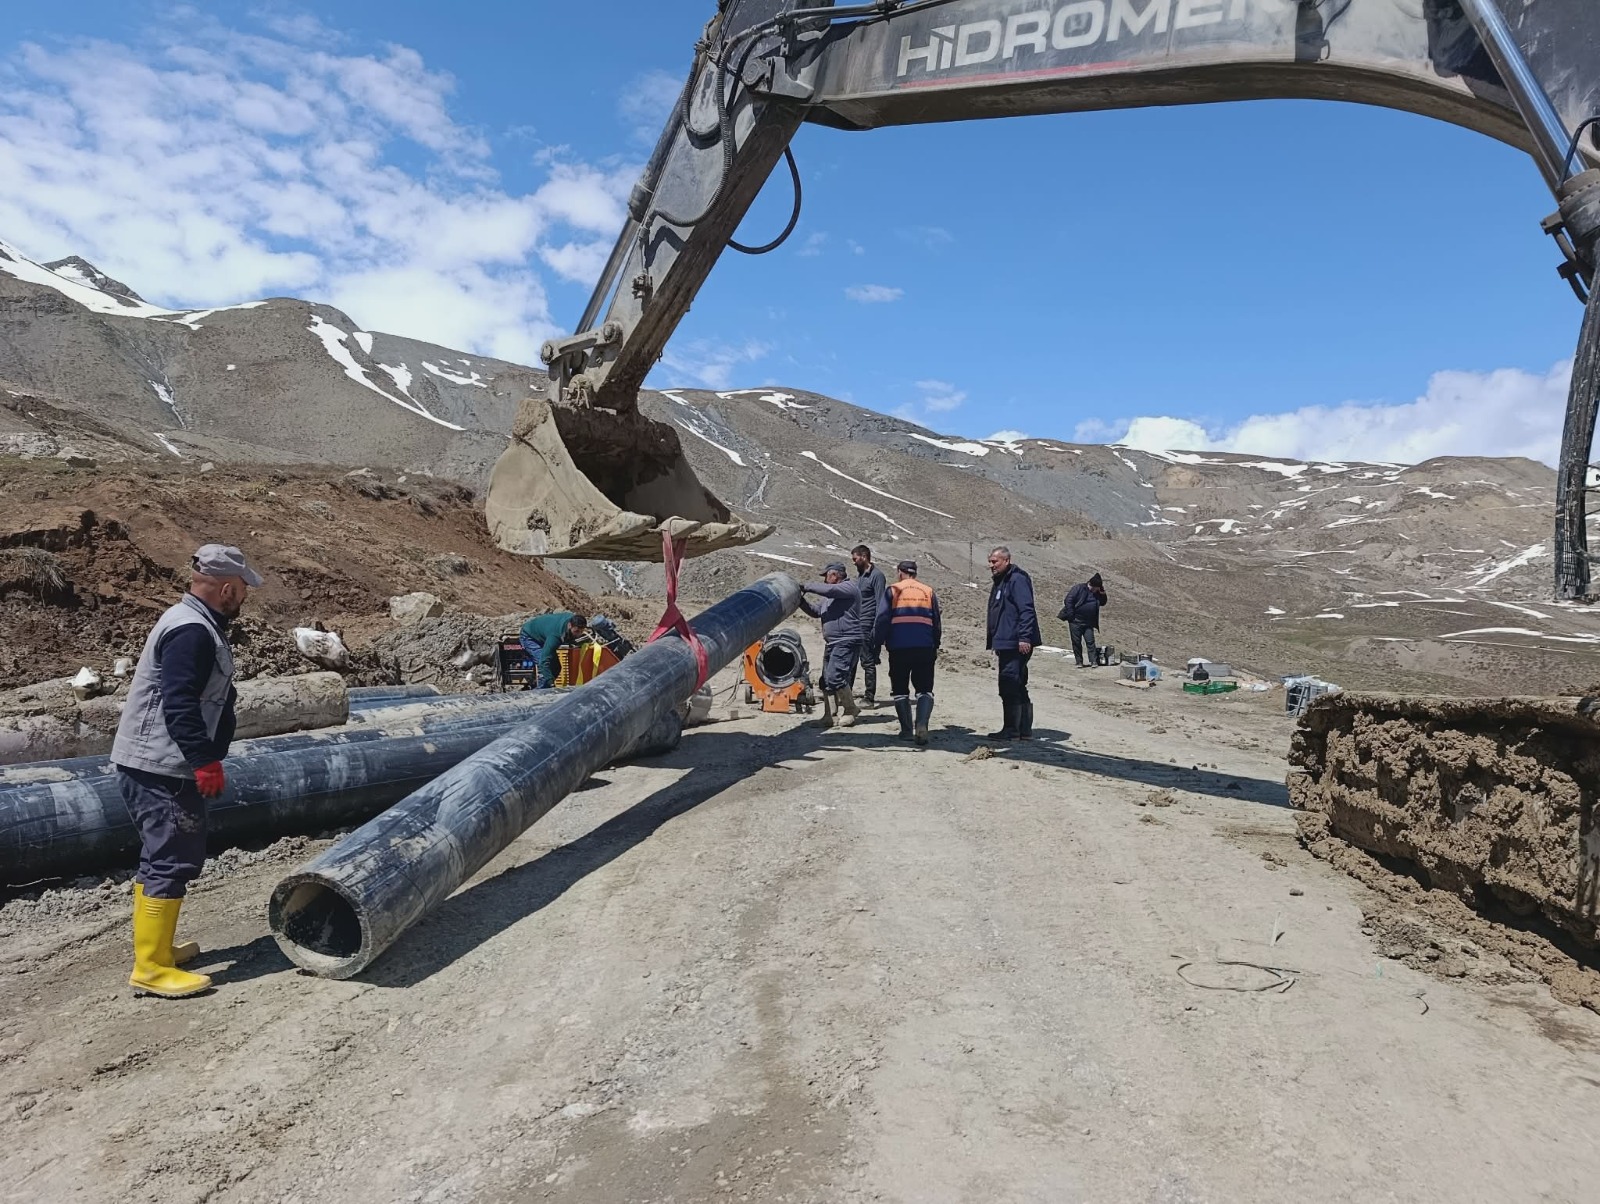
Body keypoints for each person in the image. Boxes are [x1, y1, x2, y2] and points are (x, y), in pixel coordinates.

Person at [111, 544, 263, 998]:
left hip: (160, 761)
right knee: (172, 856)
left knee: (164, 854)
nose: (243, 599)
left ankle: (158, 950)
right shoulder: (192, 631)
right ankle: (151, 967)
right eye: (242, 591)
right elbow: (178, 704)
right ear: (227, 588)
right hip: (161, 766)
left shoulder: (194, 623)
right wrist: (205, 761)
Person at [875, 559, 941, 744]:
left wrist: (876, 644)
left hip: (899, 647)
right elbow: (936, 621)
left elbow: (882, 619)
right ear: (915, 573)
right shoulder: (928, 591)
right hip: (925, 647)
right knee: (925, 690)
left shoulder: (893, 590)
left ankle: (906, 730)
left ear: (900, 572)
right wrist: (935, 644)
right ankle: (922, 724)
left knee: (900, 690)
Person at [984, 545, 1040, 741]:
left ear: (1006, 561)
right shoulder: (1002, 581)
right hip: (1006, 642)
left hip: (1016, 643)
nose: (991, 565)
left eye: (995, 561)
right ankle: (1023, 731)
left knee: (1009, 684)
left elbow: (1027, 609)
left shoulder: (1016, 580)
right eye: (990, 561)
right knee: (1017, 684)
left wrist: (1024, 637)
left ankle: (1012, 730)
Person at [799, 562, 862, 728]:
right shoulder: (829, 597)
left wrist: (806, 586)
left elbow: (831, 590)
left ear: (834, 575)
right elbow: (816, 611)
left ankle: (850, 709)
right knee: (826, 680)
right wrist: (800, 601)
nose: (826, 580)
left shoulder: (849, 588)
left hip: (847, 640)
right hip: (833, 642)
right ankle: (829, 715)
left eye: (827, 576)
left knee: (836, 676)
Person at [851, 544, 886, 707]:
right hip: (856, 623)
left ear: (864, 557)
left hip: (867, 624)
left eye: (855, 558)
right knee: (851, 660)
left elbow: (880, 603)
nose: (854, 562)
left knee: (867, 660)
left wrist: (876, 628)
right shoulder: (860, 577)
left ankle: (869, 697)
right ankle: (847, 693)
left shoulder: (877, 576)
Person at [519, 610, 588, 689]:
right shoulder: (555, 636)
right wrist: (551, 682)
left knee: (556, 667)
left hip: (543, 635)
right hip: (529, 636)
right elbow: (543, 662)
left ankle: (546, 688)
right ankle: (539, 694)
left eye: (581, 632)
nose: (578, 634)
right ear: (569, 625)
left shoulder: (572, 618)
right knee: (545, 668)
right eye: (576, 631)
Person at [1058, 572, 1108, 667]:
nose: (1097, 590)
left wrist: (1103, 594)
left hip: (1088, 622)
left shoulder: (1097, 593)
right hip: (1075, 621)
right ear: (1092, 585)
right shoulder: (1079, 588)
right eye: (1097, 588)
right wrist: (1071, 615)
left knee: (1090, 641)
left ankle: (1093, 661)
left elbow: (1103, 603)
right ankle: (1079, 661)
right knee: (1076, 642)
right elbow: (1068, 600)